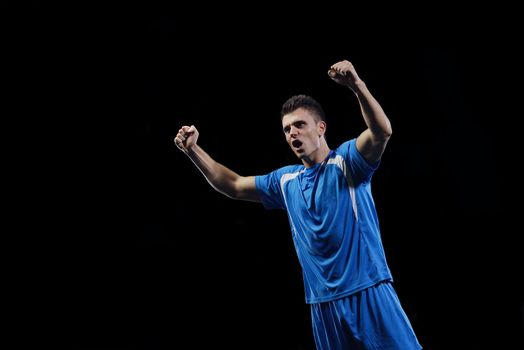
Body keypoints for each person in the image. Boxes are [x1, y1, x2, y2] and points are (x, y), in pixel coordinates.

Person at [174, 60, 422, 350]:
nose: (292, 133)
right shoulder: (285, 181)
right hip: (322, 306)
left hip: (368, 291)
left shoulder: (348, 162)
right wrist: (193, 151)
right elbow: (233, 185)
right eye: (287, 129)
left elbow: (381, 132)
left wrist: (357, 86)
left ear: (320, 128)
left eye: (300, 125)